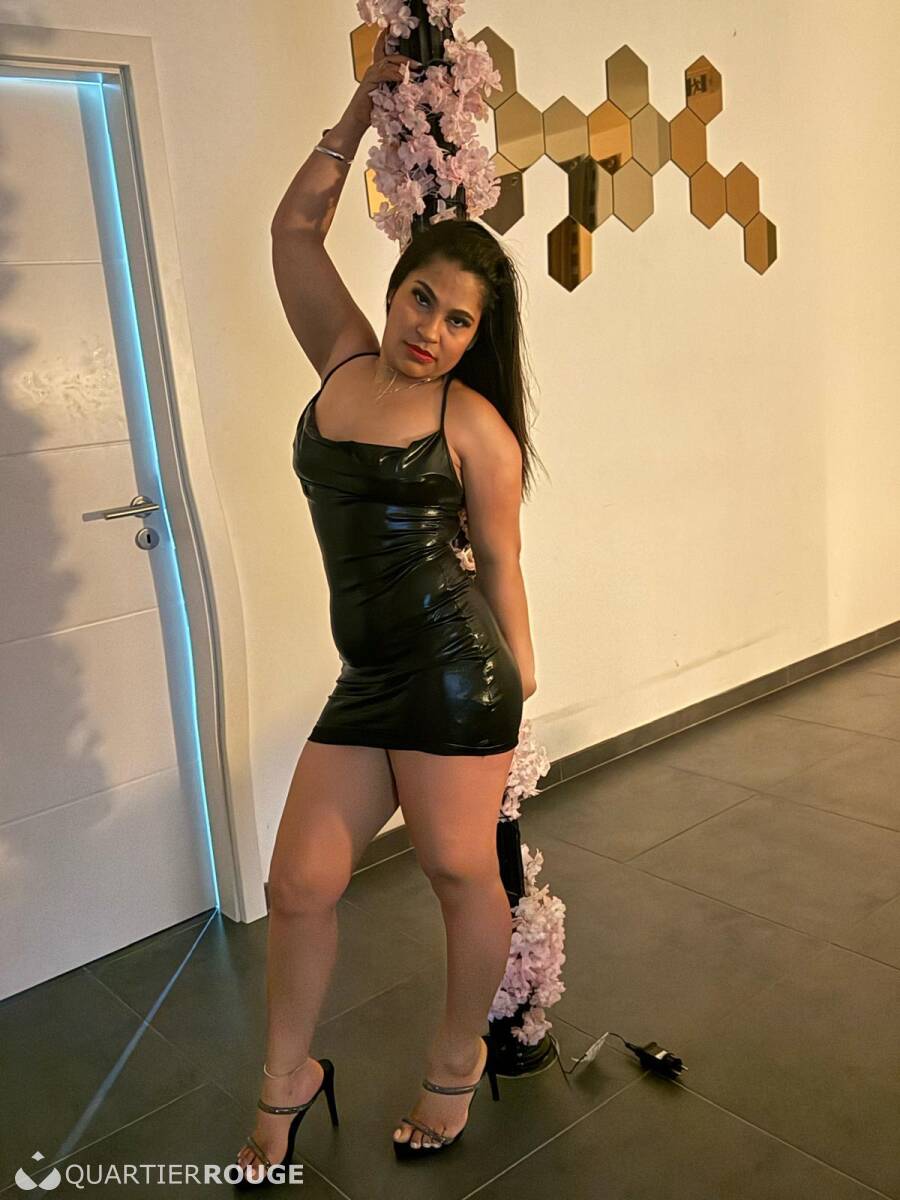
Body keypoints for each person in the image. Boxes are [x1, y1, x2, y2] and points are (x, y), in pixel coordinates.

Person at [236, 29, 541, 1185]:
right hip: (367, 679)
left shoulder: (475, 425)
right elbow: (291, 233)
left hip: (457, 675)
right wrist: (358, 113)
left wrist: (520, 685)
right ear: (398, 284)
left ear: (477, 339)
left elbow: (501, 564)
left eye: (458, 321)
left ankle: (456, 1063)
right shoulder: (342, 360)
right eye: (423, 298)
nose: (430, 329)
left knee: (460, 872)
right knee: (298, 886)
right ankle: (288, 1078)